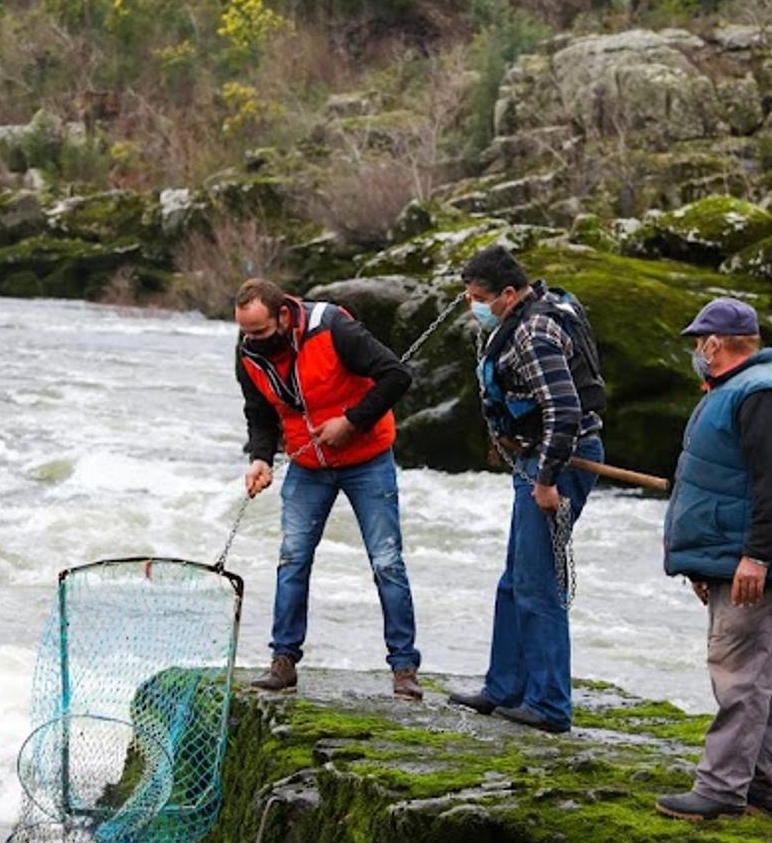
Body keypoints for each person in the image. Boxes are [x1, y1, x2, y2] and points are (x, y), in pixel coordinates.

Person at [657, 296, 772, 823]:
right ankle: (762, 787)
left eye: (697, 343)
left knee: (738, 674)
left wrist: (755, 557)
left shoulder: (762, 393)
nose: (695, 353)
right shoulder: (742, 389)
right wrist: (706, 565)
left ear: (715, 343)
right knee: (759, 675)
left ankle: (721, 789)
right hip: (732, 559)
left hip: (755, 563)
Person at [234, 278, 422, 699]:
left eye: (260, 332)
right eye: (246, 333)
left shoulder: (334, 327)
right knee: (292, 559)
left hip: (367, 460)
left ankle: (404, 668)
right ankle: (283, 662)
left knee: (387, 560)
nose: (253, 341)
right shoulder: (247, 352)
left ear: (283, 314)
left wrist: (351, 422)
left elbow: (396, 375)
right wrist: (260, 458)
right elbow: (259, 413)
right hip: (307, 465)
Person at [448, 244, 606, 732]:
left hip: (560, 462)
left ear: (509, 294)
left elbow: (564, 411)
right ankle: (505, 687)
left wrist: (546, 481)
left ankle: (550, 705)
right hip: (538, 458)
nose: (473, 306)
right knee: (514, 580)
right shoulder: (526, 317)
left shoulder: (535, 332)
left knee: (539, 585)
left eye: (478, 297)